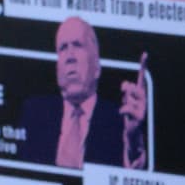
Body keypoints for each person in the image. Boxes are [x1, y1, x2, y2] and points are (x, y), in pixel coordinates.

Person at [16, 17, 149, 169]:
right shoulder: (34, 113)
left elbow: (133, 171)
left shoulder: (120, 120)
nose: (70, 57)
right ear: (57, 67)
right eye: (63, 48)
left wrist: (133, 138)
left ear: (97, 68)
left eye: (78, 45)